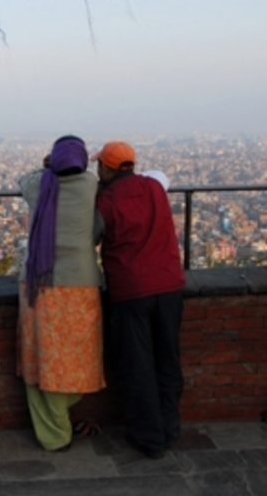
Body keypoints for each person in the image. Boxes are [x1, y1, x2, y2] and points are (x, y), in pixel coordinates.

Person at [91, 140, 185, 459]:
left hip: (132, 290)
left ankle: (149, 437)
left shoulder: (106, 201)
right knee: (168, 358)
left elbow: (91, 236)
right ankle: (170, 427)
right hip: (170, 285)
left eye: (99, 165)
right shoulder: (154, 187)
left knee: (138, 365)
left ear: (106, 167)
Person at [17, 135, 105, 452]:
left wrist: (44, 168)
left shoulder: (39, 184)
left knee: (42, 357)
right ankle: (62, 413)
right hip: (80, 284)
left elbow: (21, 180)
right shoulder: (90, 185)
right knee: (78, 356)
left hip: (39, 284)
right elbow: (98, 228)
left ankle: (54, 430)